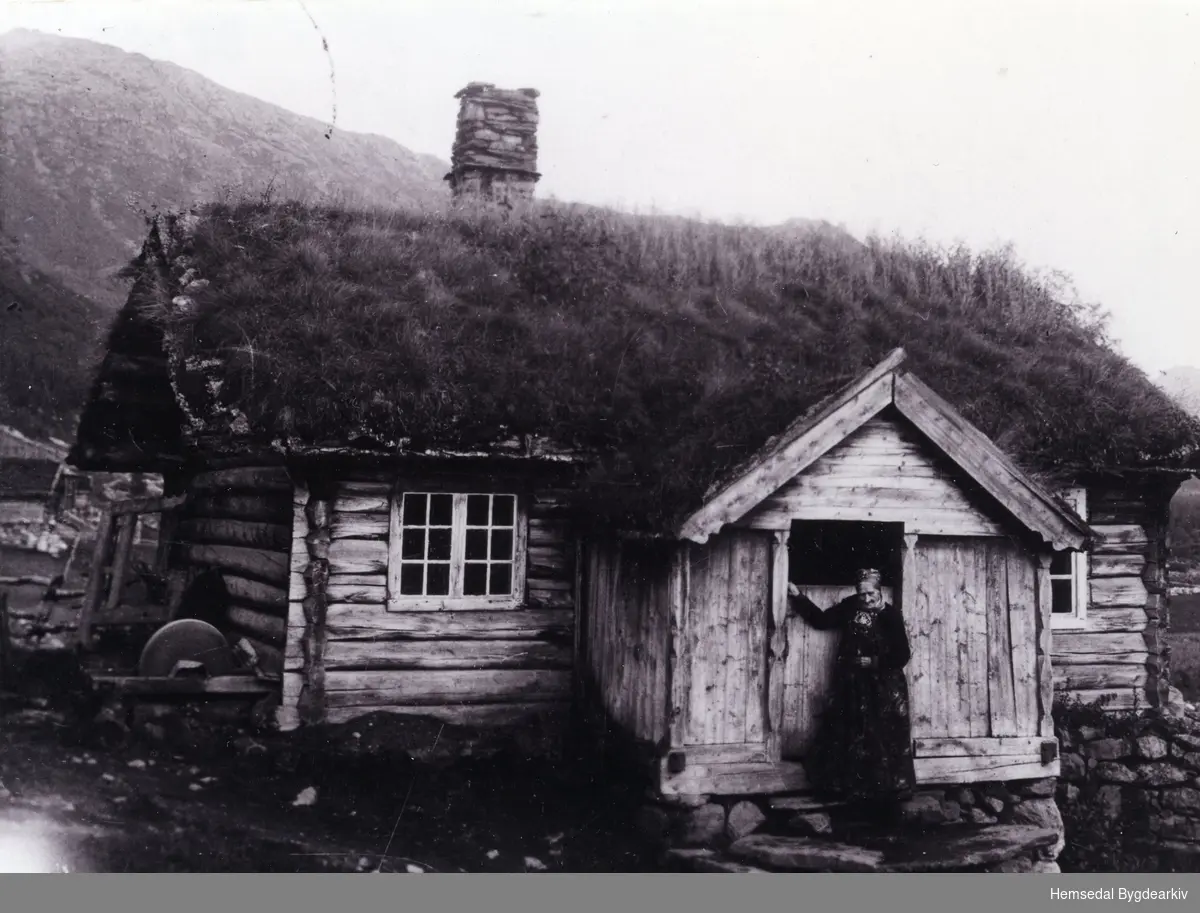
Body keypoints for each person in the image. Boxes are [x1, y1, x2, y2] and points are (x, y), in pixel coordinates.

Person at [787, 568, 915, 808]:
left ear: (880, 591)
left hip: (884, 688)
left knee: (882, 736)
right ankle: (850, 791)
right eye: (861, 593)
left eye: (871, 594)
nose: (866, 598)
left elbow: (902, 655)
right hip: (854, 684)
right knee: (850, 732)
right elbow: (821, 620)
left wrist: (874, 662)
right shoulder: (849, 607)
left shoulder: (891, 616)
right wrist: (798, 596)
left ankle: (885, 793)